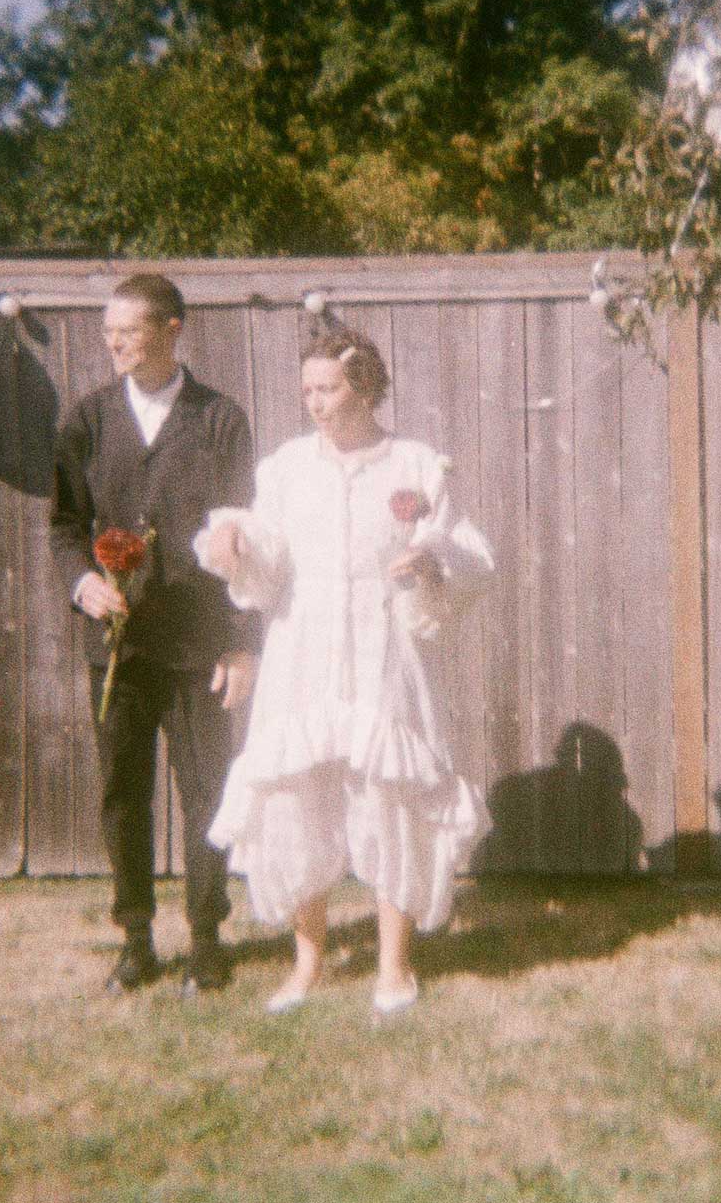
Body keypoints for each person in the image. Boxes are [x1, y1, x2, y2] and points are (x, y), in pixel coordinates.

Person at [195, 324, 492, 1015]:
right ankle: (306, 964)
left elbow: (460, 552)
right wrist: (236, 544)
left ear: (363, 389)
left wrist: (429, 564)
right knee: (296, 798)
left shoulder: (415, 465)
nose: (315, 403)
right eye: (307, 390)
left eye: (327, 389)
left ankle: (393, 965)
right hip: (301, 653)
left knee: (391, 797)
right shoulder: (286, 469)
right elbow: (267, 557)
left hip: (382, 653)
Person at [50, 273, 260, 994]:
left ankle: (205, 940)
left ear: (172, 329)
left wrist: (241, 642)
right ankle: (135, 940)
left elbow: (249, 535)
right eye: (108, 331)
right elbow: (64, 524)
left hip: (199, 644)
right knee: (123, 791)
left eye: (129, 330)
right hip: (119, 647)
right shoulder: (88, 419)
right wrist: (82, 582)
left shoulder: (219, 420)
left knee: (206, 793)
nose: (114, 343)